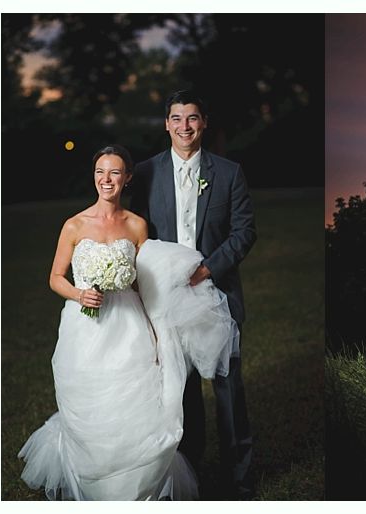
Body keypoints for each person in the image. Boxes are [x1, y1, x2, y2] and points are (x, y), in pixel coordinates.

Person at [18, 145, 237, 500]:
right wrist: (78, 294)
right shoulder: (74, 225)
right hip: (85, 325)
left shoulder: (136, 225)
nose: (107, 180)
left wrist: (154, 332)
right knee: (92, 396)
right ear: (93, 177)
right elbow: (56, 277)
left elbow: (141, 283)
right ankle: (94, 475)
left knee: (133, 398)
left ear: (127, 178)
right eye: (100, 172)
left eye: (115, 173)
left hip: (128, 323)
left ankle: (134, 483)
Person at [131, 90, 257, 499]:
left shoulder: (229, 172)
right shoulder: (147, 173)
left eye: (193, 118)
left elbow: (244, 233)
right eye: (177, 118)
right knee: (181, 392)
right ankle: (191, 478)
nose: (185, 126)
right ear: (166, 124)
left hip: (216, 292)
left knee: (228, 390)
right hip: (166, 299)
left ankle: (240, 481)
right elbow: (139, 233)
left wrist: (207, 269)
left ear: (204, 123)